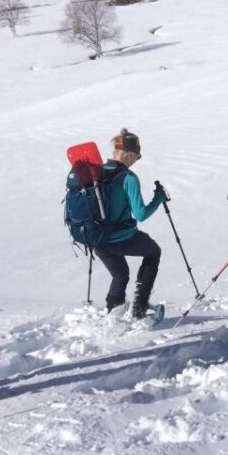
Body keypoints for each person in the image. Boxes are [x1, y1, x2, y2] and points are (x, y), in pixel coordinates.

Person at [93, 129, 166, 319]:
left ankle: (113, 314)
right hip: (120, 237)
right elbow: (141, 214)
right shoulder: (128, 178)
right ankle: (139, 308)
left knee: (120, 275)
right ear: (131, 153)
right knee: (153, 252)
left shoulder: (96, 172)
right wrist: (158, 199)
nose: (136, 160)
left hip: (96, 239)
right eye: (138, 156)